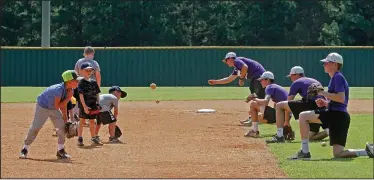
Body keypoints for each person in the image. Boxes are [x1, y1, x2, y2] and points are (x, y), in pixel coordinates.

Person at [288, 52, 374, 160]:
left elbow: (341, 98)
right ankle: (366, 151)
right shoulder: (335, 78)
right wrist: (326, 103)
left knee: (303, 116)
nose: (324, 65)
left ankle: (304, 152)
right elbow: (339, 101)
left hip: (337, 115)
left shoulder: (338, 77)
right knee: (338, 154)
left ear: (334, 64)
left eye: (327, 63)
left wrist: (322, 93)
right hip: (338, 115)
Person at [19, 70, 79, 159]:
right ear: (69, 81)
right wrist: (68, 98)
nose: (78, 82)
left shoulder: (71, 90)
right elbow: (58, 105)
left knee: (62, 127)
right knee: (36, 127)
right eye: (76, 80)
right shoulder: (58, 90)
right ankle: (24, 149)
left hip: (53, 108)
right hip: (43, 107)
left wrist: (65, 120)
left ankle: (60, 150)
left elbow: (63, 106)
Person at [266, 66, 328, 143]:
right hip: (323, 107)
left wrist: (286, 122)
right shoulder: (314, 80)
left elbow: (288, 102)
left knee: (279, 105)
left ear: (296, 75)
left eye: (291, 76)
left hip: (311, 104)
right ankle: (329, 132)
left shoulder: (297, 82)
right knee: (310, 137)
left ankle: (279, 136)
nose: (291, 79)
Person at [208, 52, 266, 125]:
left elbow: (245, 67)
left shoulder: (237, 60)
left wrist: (241, 78)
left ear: (230, 58)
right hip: (257, 78)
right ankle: (253, 117)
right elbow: (229, 79)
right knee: (254, 96)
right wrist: (215, 82)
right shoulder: (237, 68)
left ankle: (259, 118)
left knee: (257, 97)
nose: (226, 62)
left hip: (260, 78)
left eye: (226, 60)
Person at [244, 71, 291, 138]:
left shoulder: (269, 87)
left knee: (253, 104)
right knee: (259, 117)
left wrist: (254, 99)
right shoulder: (275, 87)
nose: (260, 82)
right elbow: (277, 104)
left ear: (267, 80)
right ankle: (283, 130)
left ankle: (255, 131)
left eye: (261, 80)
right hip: (286, 116)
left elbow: (266, 102)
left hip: (283, 115)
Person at [74, 46, 101, 125]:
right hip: (91, 85)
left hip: (80, 84)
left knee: (80, 101)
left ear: (84, 54)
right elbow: (98, 76)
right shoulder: (95, 63)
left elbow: (75, 73)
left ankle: (79, 118)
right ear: (93, 54)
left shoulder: (79, 61)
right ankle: (91, 119)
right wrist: (98, 87)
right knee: (92, 101)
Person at [76, 62, 102, 146]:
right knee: (82, 121)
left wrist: (98, 103)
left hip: (93, 104)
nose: (89, 71)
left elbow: (97, 94)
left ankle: (93, 137)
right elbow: (80, 95)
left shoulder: (94, 82)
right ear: (81, 71)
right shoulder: (81, 82)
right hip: (85, 105)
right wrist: (84, 106)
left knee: (92, 121)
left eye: (90, 70)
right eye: (86, 70)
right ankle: (80, 138)